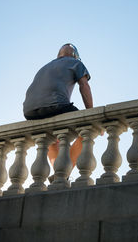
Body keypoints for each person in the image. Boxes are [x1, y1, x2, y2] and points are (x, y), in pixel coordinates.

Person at [23, 43, 93, 181]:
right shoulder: (75, 63)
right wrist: (91, 116)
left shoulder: (44, 67)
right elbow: (84, 85)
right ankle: (64, 173)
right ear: (75, 56)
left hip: (30, 112)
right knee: (88, 131)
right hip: (56, 106)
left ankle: (57, 172)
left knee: (51, 140)